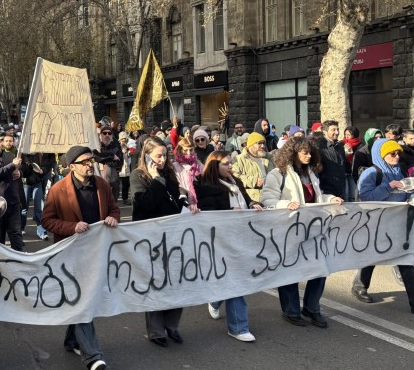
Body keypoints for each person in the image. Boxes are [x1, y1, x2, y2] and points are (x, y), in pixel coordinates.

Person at [42, 145, 118, 370]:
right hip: (70, 254)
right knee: (82, 301)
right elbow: (47, 221)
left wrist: (114, 218)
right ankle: (93, 357)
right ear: (72, 166)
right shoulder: (58, 189)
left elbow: (114, 210)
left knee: (81, 301)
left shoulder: (102, 185)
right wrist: (72, 226)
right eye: (85, 162)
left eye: (91, 161)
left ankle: (72, 339)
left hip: (96, 252)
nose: (90, 165)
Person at [260, 137, 344, 327]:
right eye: (304, 152)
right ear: (293, 153)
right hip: (289, 230)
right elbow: (267, 199)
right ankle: (291, 310)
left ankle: (312, 308)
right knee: (289, 270)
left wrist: (331, 199)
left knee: (320, 269)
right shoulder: (277, 174)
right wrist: (284, 204)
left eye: (310, 153)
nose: (309, 156)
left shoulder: (311, 173)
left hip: (313, 228)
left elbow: (318, 197)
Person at [350, 139, 414, 316]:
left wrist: (412, 193)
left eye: (398, 153)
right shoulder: (372, 173)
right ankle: (359, 286)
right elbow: (365, 198)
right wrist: (387, 186)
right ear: (381, 155)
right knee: (373, 257)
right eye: (392, 154)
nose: (397, 157)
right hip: (377, 224)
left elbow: (401, 195)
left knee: (405, 261)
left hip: (397, 224)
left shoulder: (399, 170)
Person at [130, 137, 194, 347]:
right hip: (152, 239)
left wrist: (187, 205)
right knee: (157, 284)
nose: (163, 159)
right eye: (158, 156)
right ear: (146, 156)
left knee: (178, 282)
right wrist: (156, 180)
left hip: (174, 237)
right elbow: (144, 206)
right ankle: (157, 331)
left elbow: (175, 201)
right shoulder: (138, 176)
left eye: (165, 155)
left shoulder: (169, 173)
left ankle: (172, 325)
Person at [194, 151, 263, 342]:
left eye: (230, 163)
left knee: (232, 278)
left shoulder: (235, 181)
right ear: (215, 166)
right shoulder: (205, 185)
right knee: (236, 280)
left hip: (242, 236)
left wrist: (254, 203)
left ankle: (215, 299)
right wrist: (230, 211)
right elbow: (207, 211)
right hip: (222, 240)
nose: (230, 166)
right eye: (226, 164)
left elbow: (247, 199)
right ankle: (238, 327)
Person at [232, 132, 272, 202]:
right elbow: (234, 178)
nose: (262, 146)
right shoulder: (238, 159)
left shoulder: (267, 159)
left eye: (263, 143)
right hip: (251, 202)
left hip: (269, 199)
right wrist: (255, 181)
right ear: (251, 145)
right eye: (259, 143)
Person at [22, 152, 54, 240]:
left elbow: (47, 165)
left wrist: (42, 170)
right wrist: (30, 167)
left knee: (38, 209)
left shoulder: (40, 154)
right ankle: (21, 227)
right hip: (26, 184)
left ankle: (41, 231)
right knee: (24, 208)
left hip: (38, 183)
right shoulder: (24, 153)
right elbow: (22, 170)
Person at [317, 120, 348, 201]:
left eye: (338, 129)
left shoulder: (339, 146)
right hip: (326, 191)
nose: (337, 132)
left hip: (340, 190)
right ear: (324, 131)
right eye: (333, 130)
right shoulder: (319, 147)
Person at [172, 137, 203, 210]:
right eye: (185, 150)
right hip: (184, 203)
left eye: (191, 150)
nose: (189, 153)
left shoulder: (198, 163)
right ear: (180, 150)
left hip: (200, 202)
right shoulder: (175, 165)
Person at [94, 126, 122, 200]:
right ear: (101, 135)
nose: (107, 135)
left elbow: (119, 162)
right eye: (104, 133)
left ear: (112, 136)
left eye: (109, 133)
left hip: (113, 182)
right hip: (98, 182)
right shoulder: (97, 147)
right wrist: (111, 156)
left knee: (113, 202)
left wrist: (104, 160)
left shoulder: (116, 147)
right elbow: (96, 157)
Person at [342, 126, 361, 202]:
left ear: (354, 135)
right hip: (344, 170)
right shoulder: (341, 143)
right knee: (345, 194)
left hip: (353, 171)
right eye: (345, 134)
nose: (347, 136)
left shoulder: (359, 145)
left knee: (353, 194)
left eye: (349, 134)